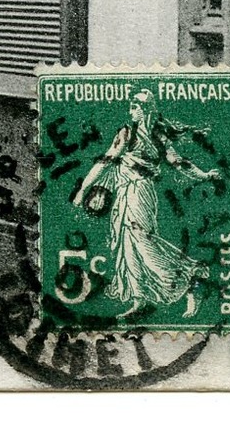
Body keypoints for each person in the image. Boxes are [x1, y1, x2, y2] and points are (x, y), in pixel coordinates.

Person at [70, 91, 221, 319]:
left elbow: (178, 162)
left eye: (135, 105)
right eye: (131, 105)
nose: (131, 109)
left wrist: (204, 175)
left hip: (140, 191)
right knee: (126, 244)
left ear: (146, 108)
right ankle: (138, 300)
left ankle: (191, 281)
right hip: (123, 192)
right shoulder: (126, 132)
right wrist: (83, 189)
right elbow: (106, 160)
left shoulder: (158, 136)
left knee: (142, 240)